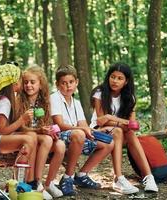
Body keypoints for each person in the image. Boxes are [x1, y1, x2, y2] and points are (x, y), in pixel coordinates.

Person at [90, 62, 158, 194]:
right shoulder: (99, 93)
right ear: (108, 77)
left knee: (130, 134)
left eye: (120, 78)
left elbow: (132, 126)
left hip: (118, 133)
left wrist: (111, 117)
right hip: (98, 132)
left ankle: (149, 177)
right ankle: (118, 178)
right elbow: (101, 121)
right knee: (119, 130)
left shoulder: (129, 98)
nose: (115, 81)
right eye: (112, 77)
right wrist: (120, 121)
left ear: (126, 82)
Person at [50, 65, 114, 196]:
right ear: (57, 84)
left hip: (76, 137)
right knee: (79, 134)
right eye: (63, 83)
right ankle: (68, 177)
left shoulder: (76, 103)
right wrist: (83, 129)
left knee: (109, 143)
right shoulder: (54, 98)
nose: (68, 86)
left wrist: (98, 132)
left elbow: (84, 126)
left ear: (76, 82)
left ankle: (82, 175)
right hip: (58, 137)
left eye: (71, 82)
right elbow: (60, 124)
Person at [0, 63, 37, 186]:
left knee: (31, 136)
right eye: (21, 80)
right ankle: (19, 183)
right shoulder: (4, 101)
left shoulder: (1, 98)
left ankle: (25, 181)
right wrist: (22, 120)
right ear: (15, 83)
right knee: (28, 140)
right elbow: (2, 131)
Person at [16, 66, 65, 199]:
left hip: (40, 135)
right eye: (25, 82)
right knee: (47, 140)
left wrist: (51, 130)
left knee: (60, 145)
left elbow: (47, 122)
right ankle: (37, 182)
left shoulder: (45, 101)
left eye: (32, 82)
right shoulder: (19, 100)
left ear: (41, 84)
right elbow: (20, 127)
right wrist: (40, 130)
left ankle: (49, 183)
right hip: (27, 136)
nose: (28, 85)